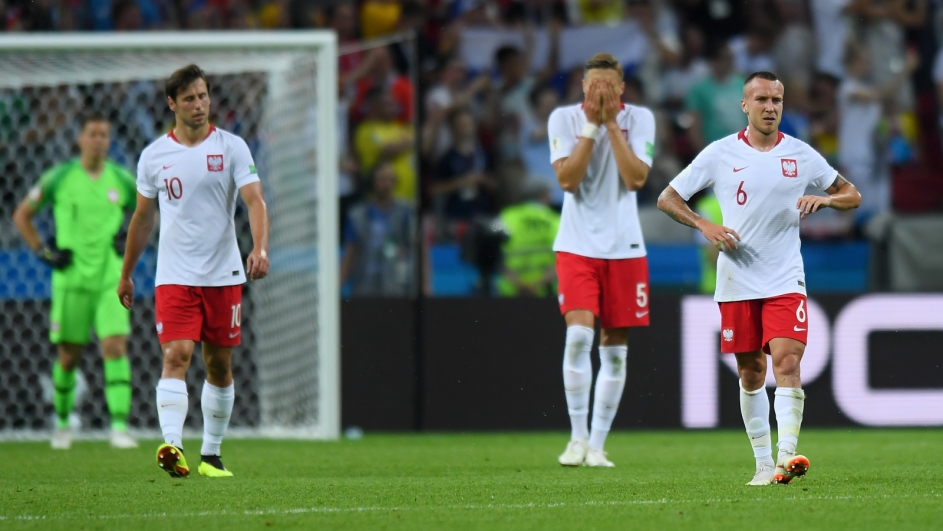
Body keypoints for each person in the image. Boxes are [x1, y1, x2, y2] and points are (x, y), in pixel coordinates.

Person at [656, 71, 861, 485]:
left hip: (785, 277)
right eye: (762, 99)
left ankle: (786, 458)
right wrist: (704, 224)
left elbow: (851, 194)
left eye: (777, 100)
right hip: (737, 279)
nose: (770, 107)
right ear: (745, 105)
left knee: (787, 362)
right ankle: (763, 464)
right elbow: (667, 197)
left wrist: (825, 200)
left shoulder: (801, 154)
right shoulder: (720, 153)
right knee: (751, 372)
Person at [117, 64, 270, 479]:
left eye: (203, 96)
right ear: (172, 104)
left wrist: (259, 248)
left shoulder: (233, 147)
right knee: (176, 355)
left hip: (223, 274)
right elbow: (142, 219)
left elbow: (254, 200)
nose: (199, 105)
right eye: (189, 99)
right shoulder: (154, 156)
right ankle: (173, 445)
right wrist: (127, 273)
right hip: (174, 275)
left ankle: (211, 455)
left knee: (218, 365)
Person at [548, 53, 655, 467]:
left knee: (614, 351)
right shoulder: (564, 119)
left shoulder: (640, 119)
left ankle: (597, 445)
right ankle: (576, 438)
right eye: (594, 85)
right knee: (578, 337)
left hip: (625, 247)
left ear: (622, 88)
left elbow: (636, 178)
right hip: (576, 245)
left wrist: (611, 124)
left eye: (608, 85)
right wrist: (592, 125)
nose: (601, 92)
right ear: (583, 86)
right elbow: (567, 180)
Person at [11, 113, 139, 451]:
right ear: (79, 138)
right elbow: (22, 214)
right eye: (92, 133)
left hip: (111, 279)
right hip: (70, 279)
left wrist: (129, 237)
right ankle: (63, 424)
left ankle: (119, 428)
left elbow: (147, 209)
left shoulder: (121, 178)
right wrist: (43, 252)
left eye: (104, 134)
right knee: (68, 356)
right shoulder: (59, 177)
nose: (98, 140)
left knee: (115, 347)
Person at [340, 162, 417, 296]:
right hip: (364, 289)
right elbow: (349, 255)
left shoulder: (406, 213)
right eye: (381, 179)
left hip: (396, 290)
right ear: (372, 182)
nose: (386, 184)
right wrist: (337, 285)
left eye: (390, 179)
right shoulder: (358, 216)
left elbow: (416, 250)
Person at [497, 181, 560, 297]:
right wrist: (536, 285)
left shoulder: (506, 216)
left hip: (510, 292)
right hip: (544, 292)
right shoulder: (554, 221)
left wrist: (518, 284)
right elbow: (561, 259)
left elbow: (494, 254)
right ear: (543, 194)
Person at [354, 87, 417, 203]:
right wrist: (408, 143)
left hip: (409, 197)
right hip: (383, 201)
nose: (394, 107)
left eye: (394, 103)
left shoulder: (401, 128)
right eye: (388, 104)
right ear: (374, 106)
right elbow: (384, 152)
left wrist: (403, 144)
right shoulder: (365, 130)